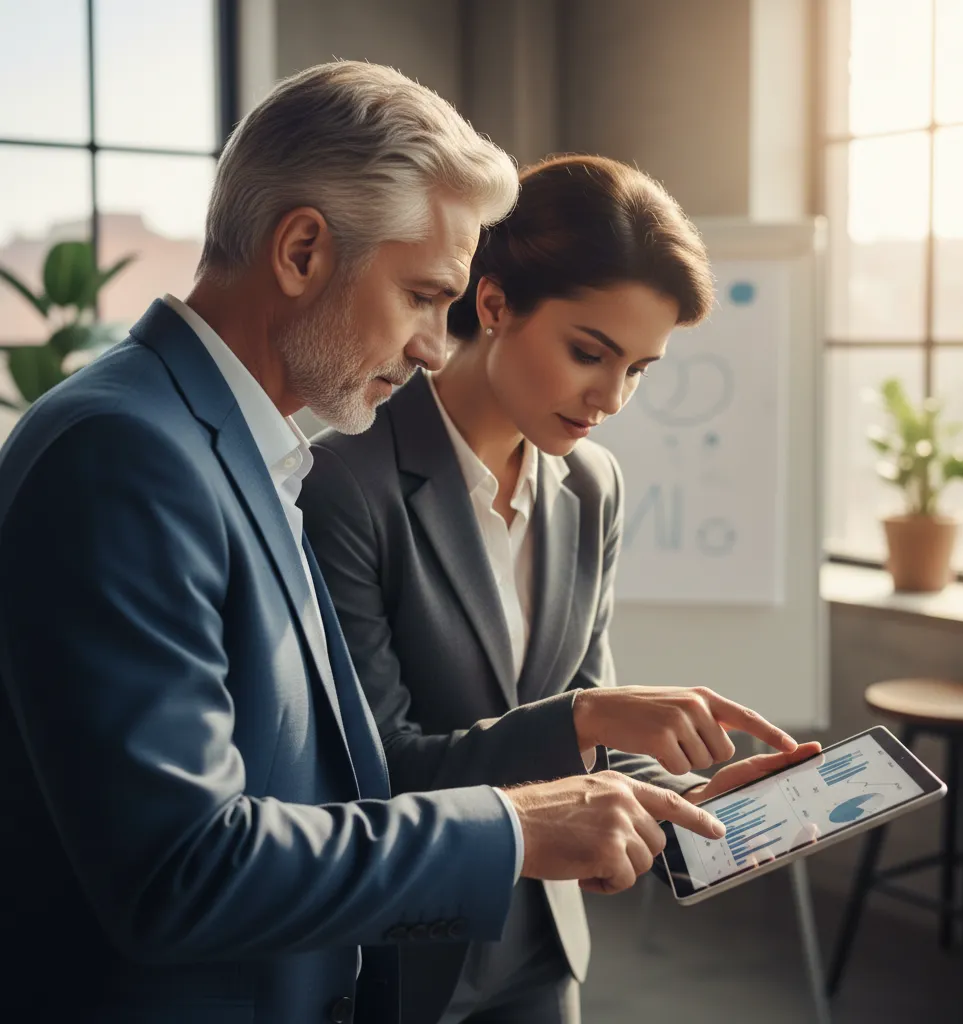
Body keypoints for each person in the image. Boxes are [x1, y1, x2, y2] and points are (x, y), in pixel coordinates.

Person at [0, 65, 747, 1024]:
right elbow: (180, 870)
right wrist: (516, 827)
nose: (437, 345)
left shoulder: (243, 450)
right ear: (303, 251)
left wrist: (682, 800)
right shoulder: (126, 452)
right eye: (423, 296)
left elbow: (327, 782)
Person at [299, 153, 821, 1024]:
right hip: (404, 954)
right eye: (589, 353)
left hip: (541, 951)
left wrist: (691, 805)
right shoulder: (345, 481)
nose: (610, 397)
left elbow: (588, 725)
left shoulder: (591, 484)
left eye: (639, 369)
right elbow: (378, 770)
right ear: (494, 304)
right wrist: (582, 718)